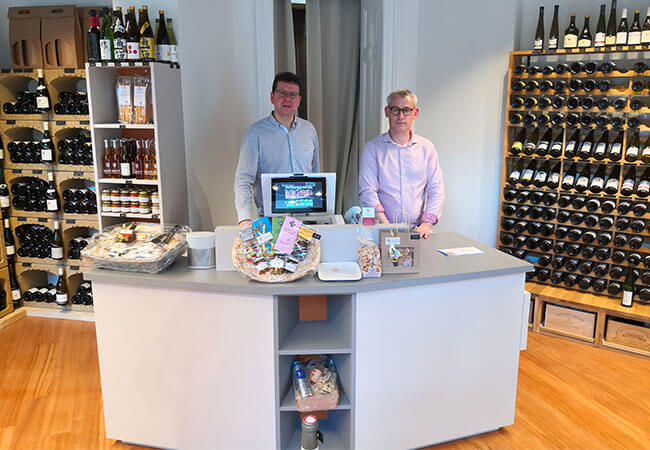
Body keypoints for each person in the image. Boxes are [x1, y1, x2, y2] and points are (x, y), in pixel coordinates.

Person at [234, 72, 319, 227]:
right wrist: (244, 218)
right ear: (272, 97)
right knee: (276, 252)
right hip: (272, 221)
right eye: (282, 93)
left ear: (299, 101)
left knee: (313, 252)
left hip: (307, 218)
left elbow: (315, 173)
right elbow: (243, 179)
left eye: (293, 95)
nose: (287, 99)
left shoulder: (309, 130)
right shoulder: (256, 133)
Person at [358, 89, 445, 238]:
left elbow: (436, 190)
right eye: (395, 110)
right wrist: (386, 227)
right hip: (381, 229)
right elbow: (367, 190)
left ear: (415, 113)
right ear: (387, 111)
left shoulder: (427, 148)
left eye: (406, 110)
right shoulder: (372, 149)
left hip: (417, 231)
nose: (401, 116)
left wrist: (426, 224)